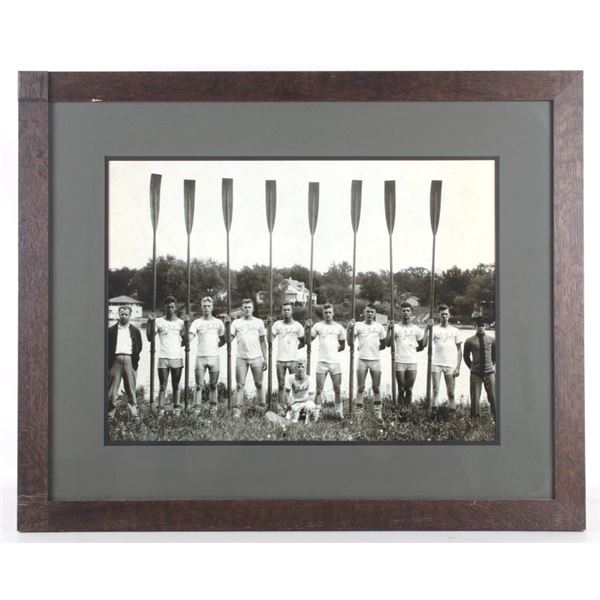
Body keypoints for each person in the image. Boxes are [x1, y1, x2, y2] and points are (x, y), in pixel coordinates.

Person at [347, 303, 387, 422]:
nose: (369, 314)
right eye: (367, 311)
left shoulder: (379, 327)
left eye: (372, 312)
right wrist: (349, 329)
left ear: (375, 314)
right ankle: (358, 415)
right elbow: (350, 343)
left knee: (376, 388)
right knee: (360, 388)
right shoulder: (358, 326)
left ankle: (378, 414)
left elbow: (384, 345)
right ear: (364, 313)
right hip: (362, 361)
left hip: (375, 361)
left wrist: (373, 349)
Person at [229, 298, 268, 418]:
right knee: (240, 385)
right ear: (242, 309)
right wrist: (226, 325)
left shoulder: (259, 322)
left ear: (253, 309)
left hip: (256, 357)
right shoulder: (236, 323)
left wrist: (265, 358)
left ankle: (262, 407)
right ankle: (237, 409)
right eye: (245, 307)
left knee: (259, 384)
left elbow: (263, 341)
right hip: (241, 358)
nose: (247, 309)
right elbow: (228, 339)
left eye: (249, 307)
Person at [188, 297, 226, 415]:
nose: (206, 308)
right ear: (201, 307)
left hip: (214, 357)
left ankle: (213, 407)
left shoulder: (218, 323)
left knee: (213, 385)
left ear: (212, 307)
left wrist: (215, 346)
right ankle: (197, 408)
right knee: (199, 385)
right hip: (200, 357)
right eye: (204, 306)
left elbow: (223, 339)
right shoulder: (197, 322)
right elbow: (190, 337)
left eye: (208, 306)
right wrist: (186, 330)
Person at [147, 295, 185, 415]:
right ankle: (161, 409)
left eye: (172, 307)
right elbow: (149, 338)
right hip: (163, 358)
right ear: (165, 307)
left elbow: (186, 341)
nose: (170, 309)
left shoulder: (180, 322)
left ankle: (176, 409)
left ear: (175, 307)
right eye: (168, 307)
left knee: (176, 385)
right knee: (162, 386)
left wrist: (187, 325)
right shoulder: (158, 321)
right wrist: (149, 322)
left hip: (177, 358)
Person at [307, 303, 346, 419]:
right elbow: (308, 341)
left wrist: (332, 352)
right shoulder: (318, 326)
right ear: (323, 314)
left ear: (333, 313)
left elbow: (343, 346)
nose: (328, 314)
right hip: (321, 362)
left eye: (330, 312)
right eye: (326, 313)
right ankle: (315, 415)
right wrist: (307, 328)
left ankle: (339, 413)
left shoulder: (339, 328)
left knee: (337, 389)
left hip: (335, 363)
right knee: (319, 390)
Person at [107, 305, 142, 421]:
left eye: (126, 314)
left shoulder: (135, 330)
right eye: (122, 314)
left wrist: (134, 360)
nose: (124, 316)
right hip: (115, 361)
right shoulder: (111, 330)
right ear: (118, 314)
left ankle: (134, 415)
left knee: (131, 390)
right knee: (111, 391)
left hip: (129, 361)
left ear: (130, 315)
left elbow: (139, 346)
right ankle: (110, 415)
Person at [425, 304, 462, 412]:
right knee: (435, 391)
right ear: (439, 315)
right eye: (442, 314)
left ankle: (452, 416)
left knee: (451, 393)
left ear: (449, 315)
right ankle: (434, 415)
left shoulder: (455, 331)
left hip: (450, 364)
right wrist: (427, 329)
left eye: (446, 314)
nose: (444, 316)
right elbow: (425, 343)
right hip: (436, 363)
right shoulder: (434, 329)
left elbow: (459, 350)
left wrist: (458, 367)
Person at [388, 302, 425, 409]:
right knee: (401, 388)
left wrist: (411, 350)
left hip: (412, 362)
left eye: (408, 310)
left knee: (409, 389)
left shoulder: (416, 329)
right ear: (401, 312)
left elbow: (422, 345)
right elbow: (388, 344)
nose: (406, 313)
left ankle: (408, 410)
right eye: (404, 311)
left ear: (411, 312)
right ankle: (400, 410)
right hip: (399, 361)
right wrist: (389, 329)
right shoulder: (396, 327)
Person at [271, 302, 305, 414]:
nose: (286, 312)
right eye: (284, 310)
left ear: (292, 311)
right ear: (282, 311)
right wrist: (269, 325)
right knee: (281, 385)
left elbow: (303, 342)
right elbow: (269, 340)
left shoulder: (298, 326)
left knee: (295, 385)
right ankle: (281, 408)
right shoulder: (277, 325)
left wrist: (294, 348)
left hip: (293, 360)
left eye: (288, 310)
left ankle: (294, 408)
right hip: (280, 360)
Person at [463, 316, 496, 421]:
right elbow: (466, 356)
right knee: (475, 398)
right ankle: (475, 420)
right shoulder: (469, 341)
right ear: (475, 326)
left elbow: (495, 354)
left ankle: (495, 418)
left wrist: (491, 365)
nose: (480, 328)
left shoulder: (492, 340)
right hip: (476, 373)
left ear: (485, 326)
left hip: (489, 372)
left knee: (493, 397)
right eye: (478, 326)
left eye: (482, 325)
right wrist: (472, 367)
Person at [284, 358, 318, 423]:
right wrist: (288, 402)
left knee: (310, 405)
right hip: (295, 403)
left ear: (305, 367)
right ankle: (299, 416)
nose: (300, 369)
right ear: (295, 367)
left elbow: (311, 397)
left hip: (305, 401)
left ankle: (307, 419)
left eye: (302, 367)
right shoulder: (291, 378)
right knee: (291, 420)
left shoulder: (310, 379)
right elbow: (286, 392)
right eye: (298, 367)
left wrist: (296, 401)